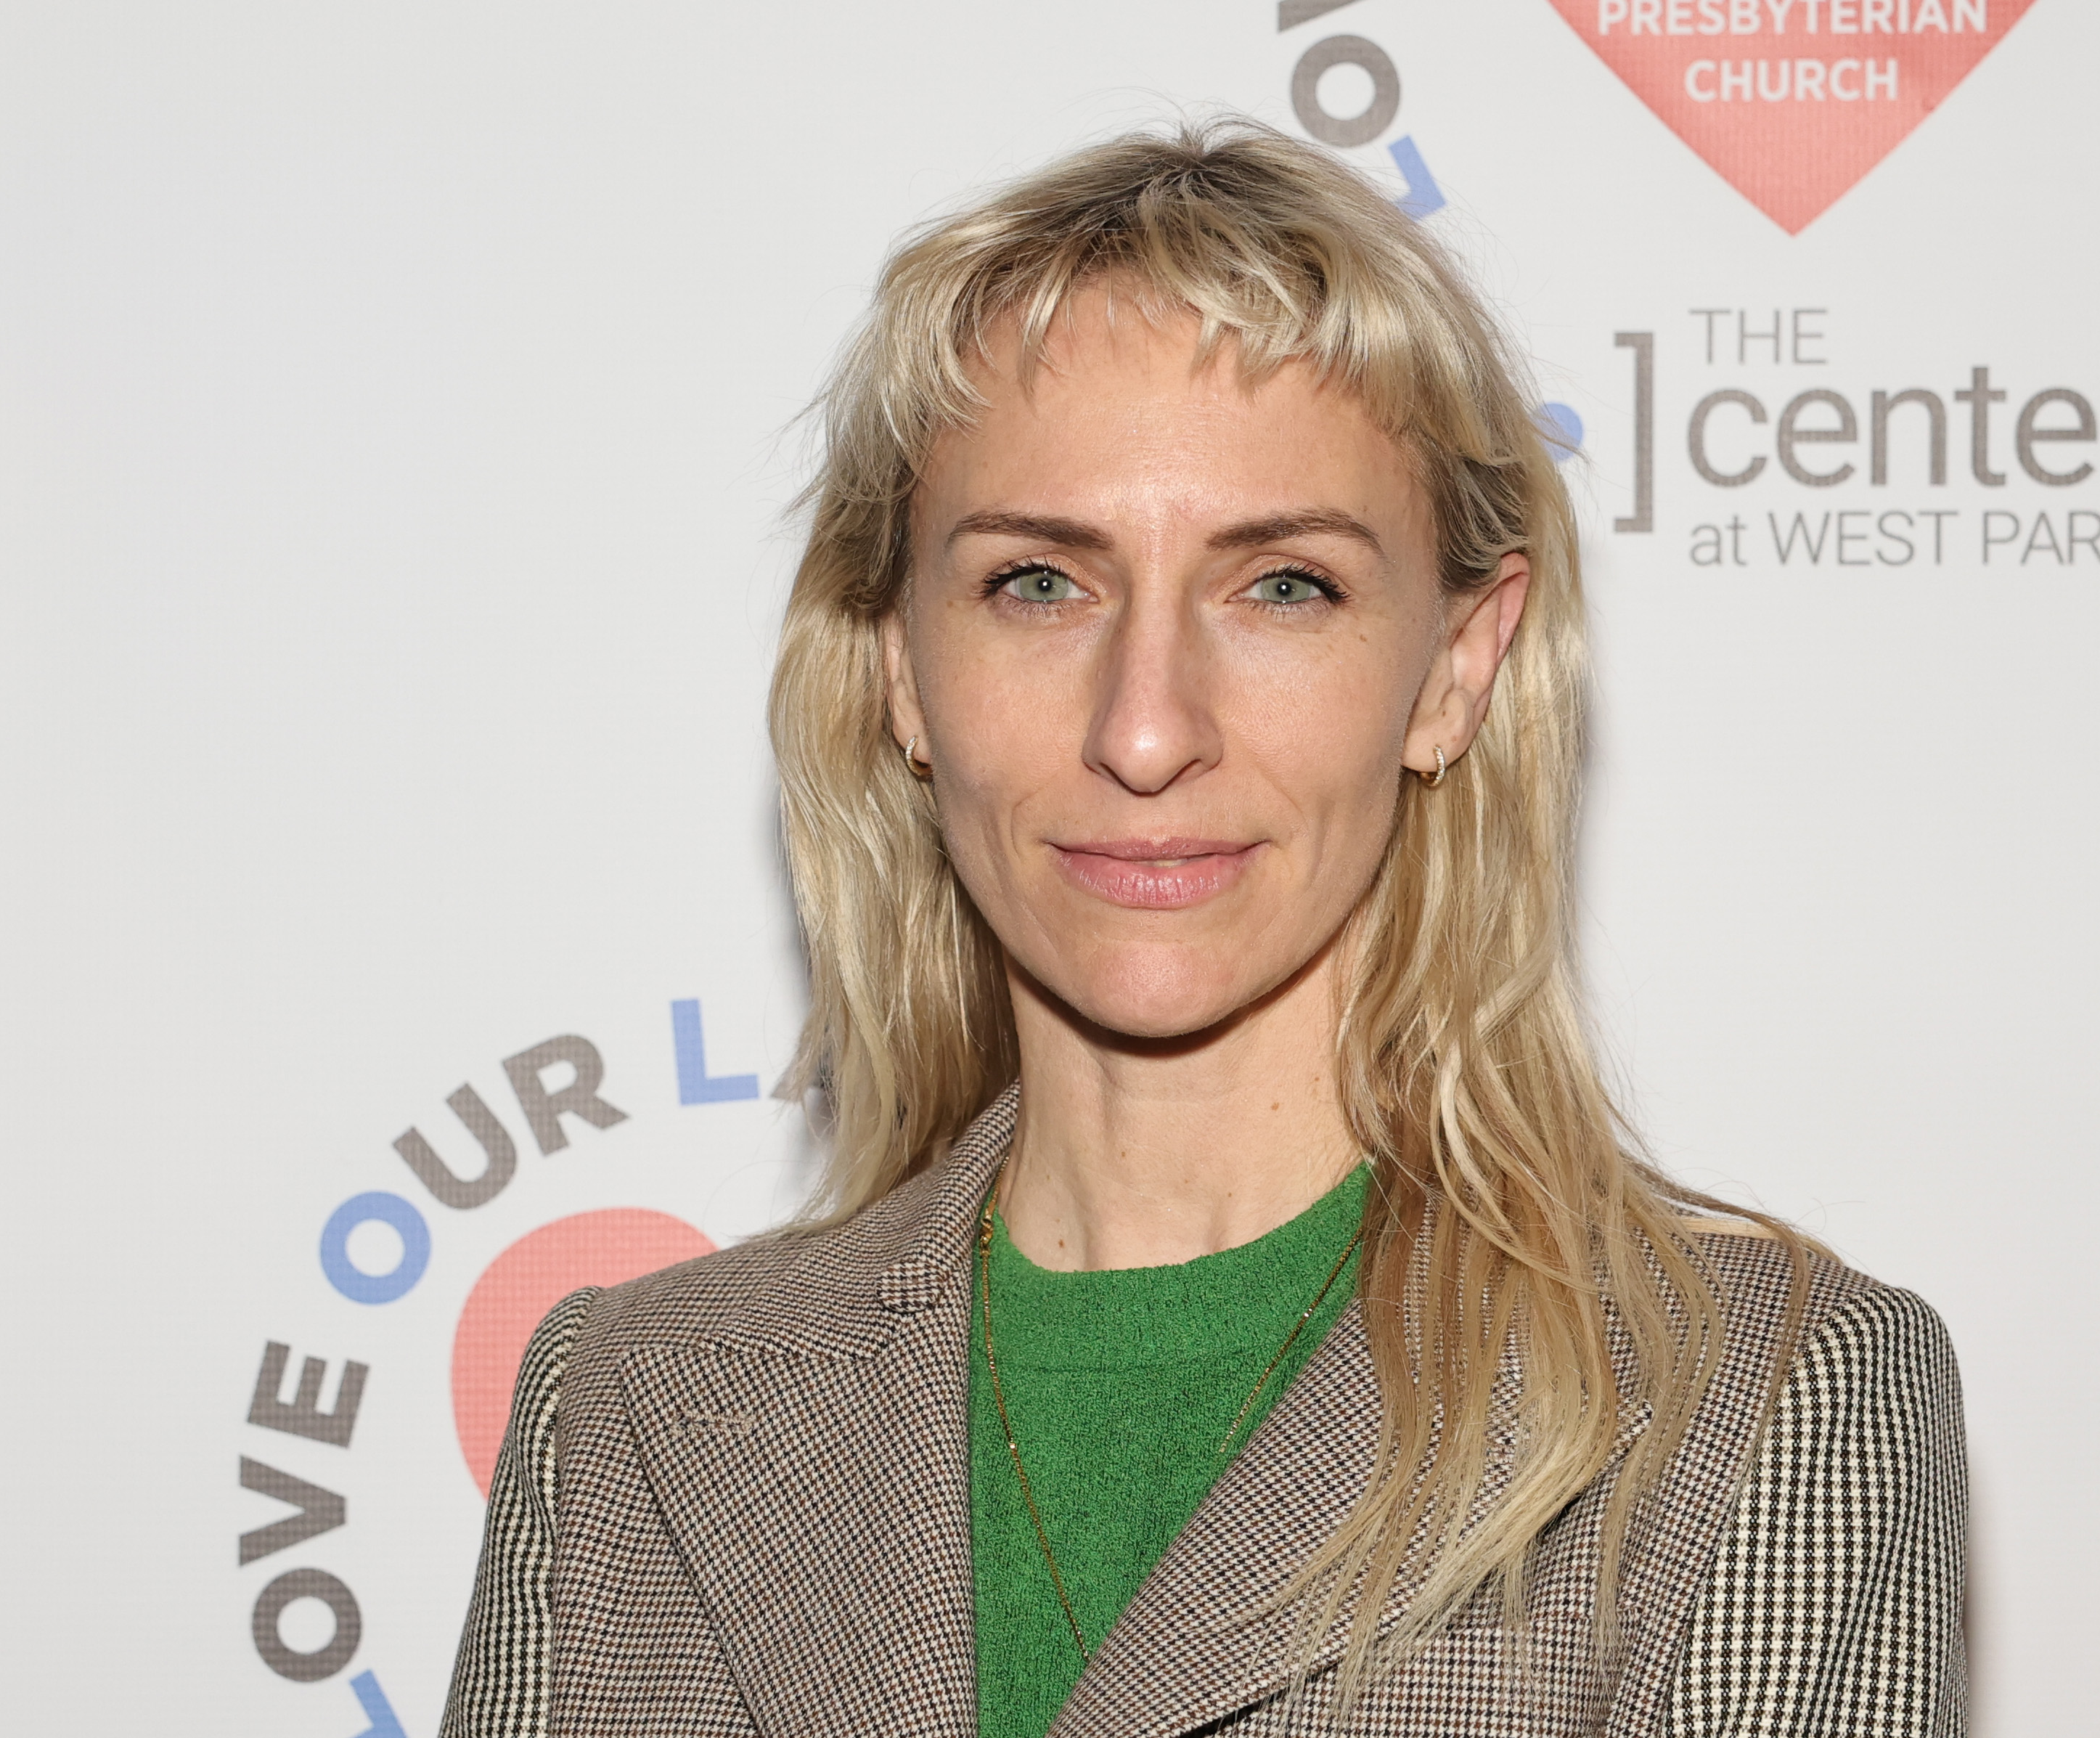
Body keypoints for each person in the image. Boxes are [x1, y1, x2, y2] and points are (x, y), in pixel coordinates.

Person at [441, 120, 1966, 1738]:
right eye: (1038, 583)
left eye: (1281, 586)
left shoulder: (1754, 1406)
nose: (1147, 729)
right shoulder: (629, 1406)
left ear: (1455, 667)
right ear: (898, 666)